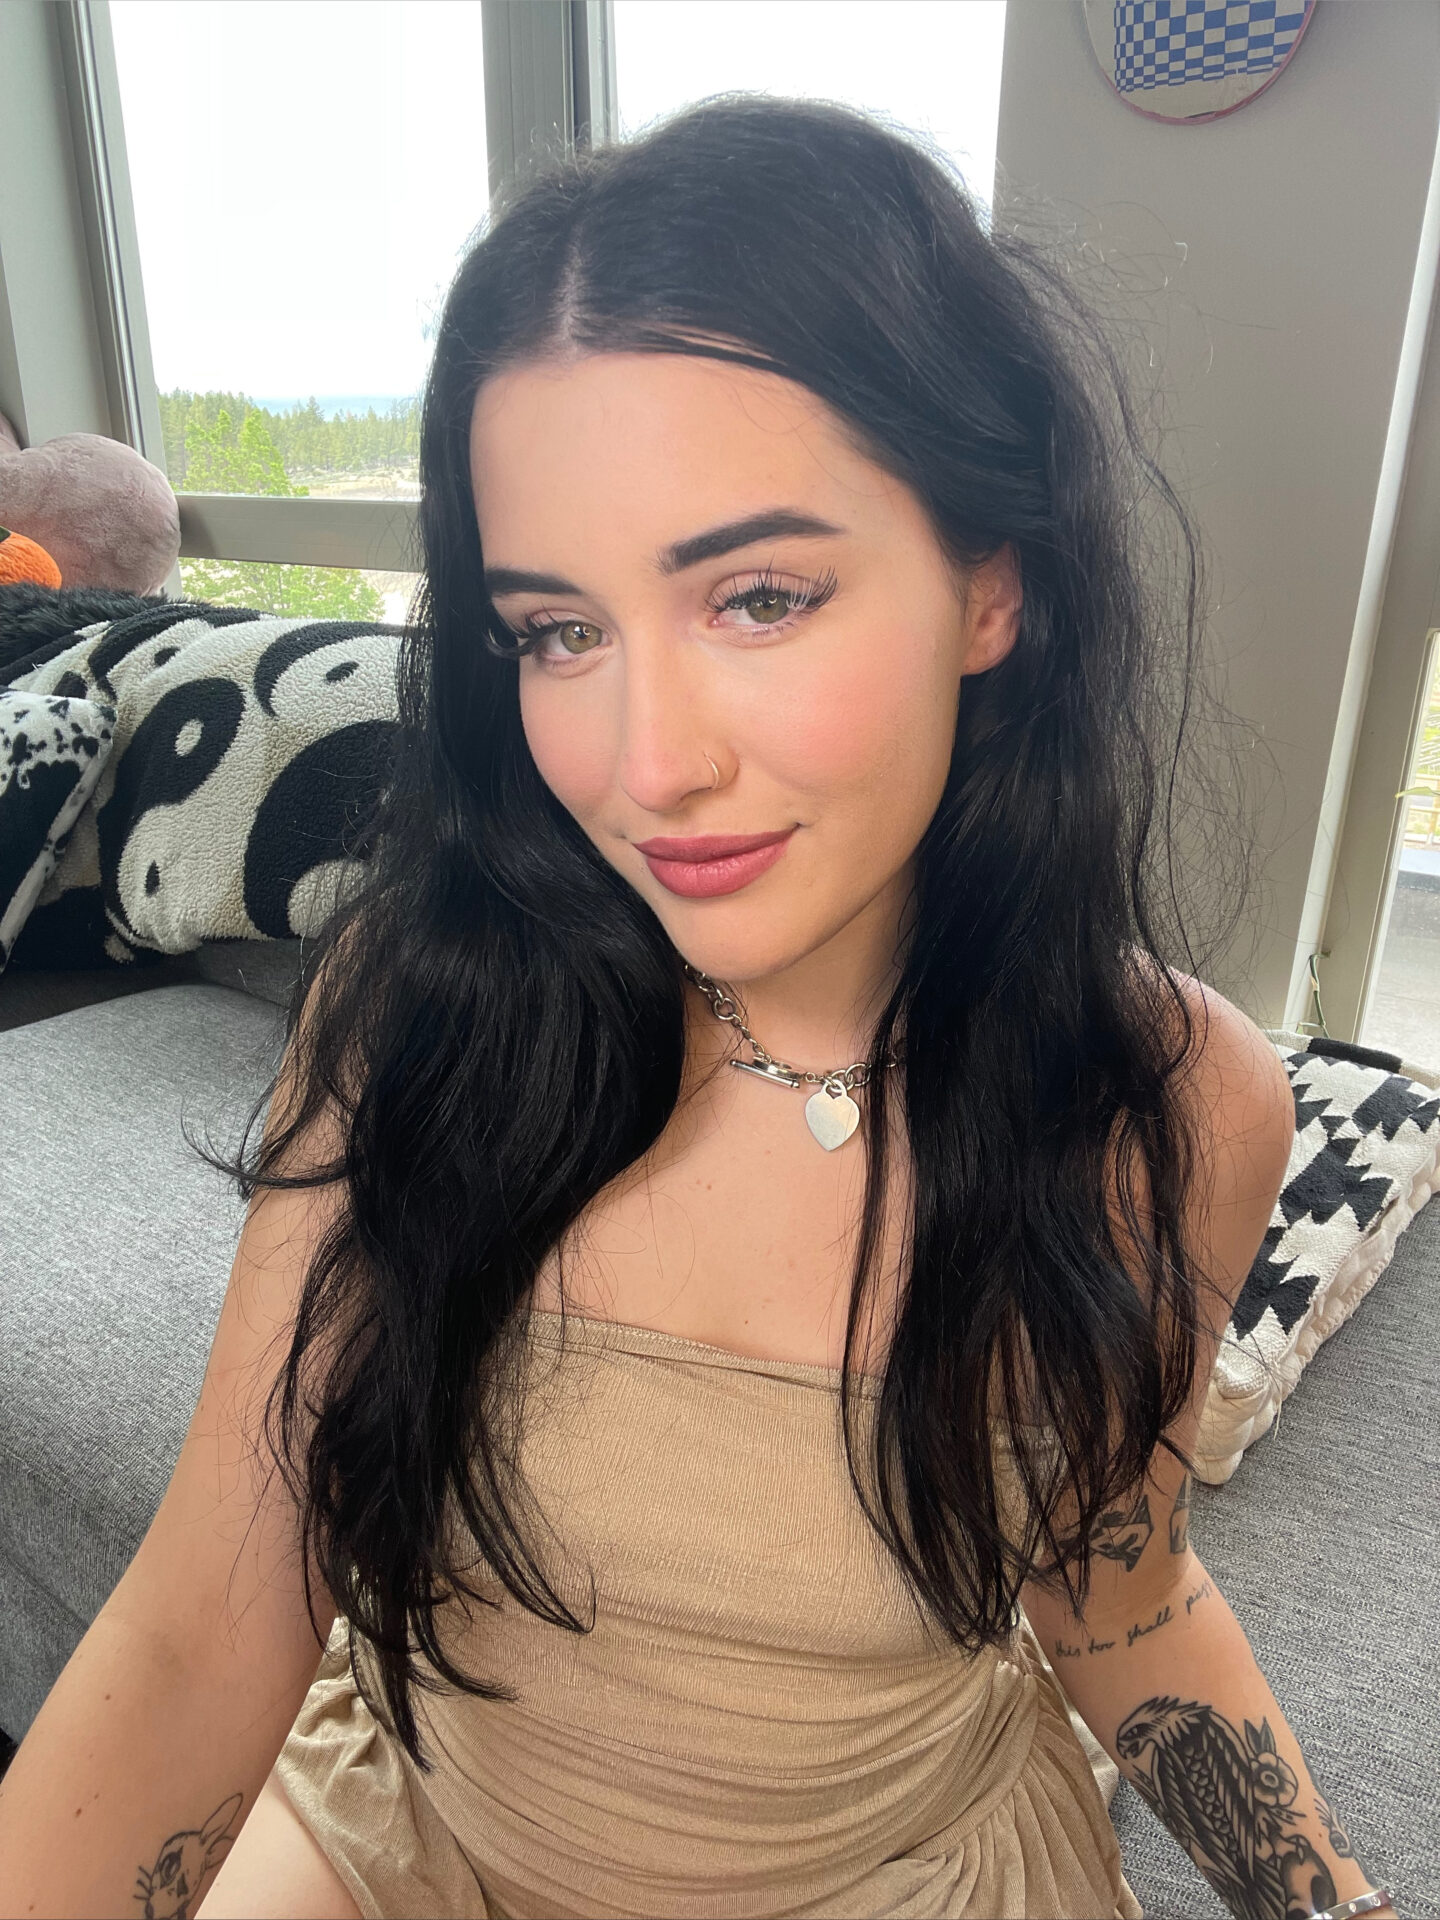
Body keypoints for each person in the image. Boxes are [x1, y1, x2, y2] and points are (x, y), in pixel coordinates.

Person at [0, 95, 1399, 1920]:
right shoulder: (416, 1013)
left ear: (992, 582)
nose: (647, 765)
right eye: (558, 631)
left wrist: (1327, 1899)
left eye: (758, 596)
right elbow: (205, 1631)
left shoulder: (1174, 1100)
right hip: (410, 1836)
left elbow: (1114, 1588)